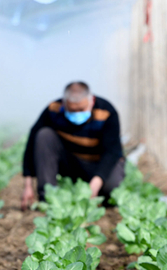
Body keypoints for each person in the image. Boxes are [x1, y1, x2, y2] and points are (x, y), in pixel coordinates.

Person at [21, 81, 124, 210]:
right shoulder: (53, 109)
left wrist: (96, 184)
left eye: (81, 109)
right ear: (64, 104)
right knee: (44, 135)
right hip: (71, 163)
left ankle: (99, 193)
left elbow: (112, 152)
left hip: (98, 163)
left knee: (111, 190)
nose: (77, 114)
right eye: (72, 110)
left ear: (91, 101)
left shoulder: (106, 112)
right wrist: (28, 185)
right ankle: (48, 198)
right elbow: (32, 142)